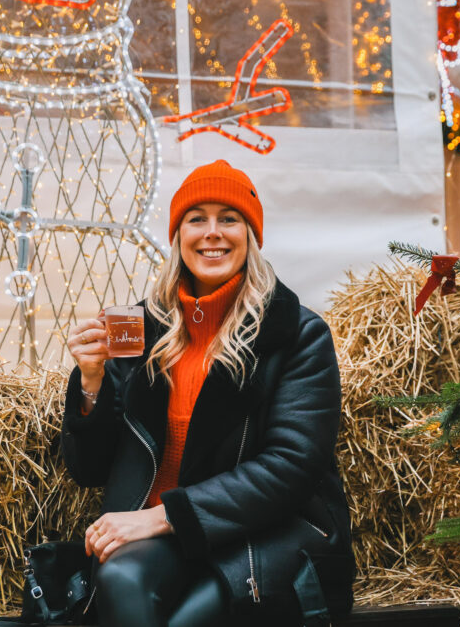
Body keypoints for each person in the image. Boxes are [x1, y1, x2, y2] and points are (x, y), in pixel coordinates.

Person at [61, 159, 355, 627]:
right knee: (120, 583)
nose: (212, 233)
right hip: (162, 536)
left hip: (266, 531)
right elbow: (89, 469)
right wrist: (92, 380)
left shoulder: (297, 332)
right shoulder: (141, 329)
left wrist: (160, 517)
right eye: (197, 219)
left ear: (250, 235)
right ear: (178, 236)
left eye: (229, 218)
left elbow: (291, 467)